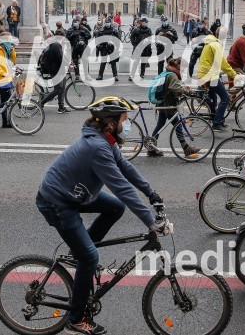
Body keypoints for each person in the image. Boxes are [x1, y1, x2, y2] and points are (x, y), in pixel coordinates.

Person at [36, 97, 167, 335]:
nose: (126, 124)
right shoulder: (96, 147)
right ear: (110, 123)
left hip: (74, 194)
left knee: (115, 207)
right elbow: (121, 187)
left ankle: (82, 254)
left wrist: (151, 192)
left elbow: (125, 168)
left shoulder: (105, 141)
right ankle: (75, 321)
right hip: (57, 201)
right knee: (90, 258)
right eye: (124, 120)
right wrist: (151, 221)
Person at [149, 57, 200, 159]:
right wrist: (188, 92)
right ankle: (186, 148)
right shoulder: (172, 75)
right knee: (178, 126)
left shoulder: (169, 71)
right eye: (184, 69)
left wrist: (183, 89)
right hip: (168, 105)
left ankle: (151, 147)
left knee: (160, 125)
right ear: (179, 67)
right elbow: (174, 88)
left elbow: (173, 87)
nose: (184, 71)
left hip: (163, 104)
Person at [198, 27, 236, 132]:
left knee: (213, 97)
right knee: (225, 98)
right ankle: (217, 122)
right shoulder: (216, 44)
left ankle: (214, 117)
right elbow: (223, 63)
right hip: (210, 76)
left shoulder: (210, 42)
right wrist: (234, 75)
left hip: (204, 74)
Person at [39, 28, 69, 113]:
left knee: (62, 89)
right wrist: (67, 64)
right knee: (58, 89)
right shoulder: (56, 45)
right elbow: (59, 58)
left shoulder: (58, 44)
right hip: (55, 70)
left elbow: (62, 56)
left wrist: (68, 63)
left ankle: (61, 107)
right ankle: (41, 103)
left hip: (60, 69)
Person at [0, 33, 18, 128]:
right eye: (9, 40)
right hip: (2, 78)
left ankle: (4, 122)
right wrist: (2, 73)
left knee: (5, 101)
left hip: (8, 77)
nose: (10, 42)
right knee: (6, 101)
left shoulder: (6, 49)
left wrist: (13, 51)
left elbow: (12, 60)